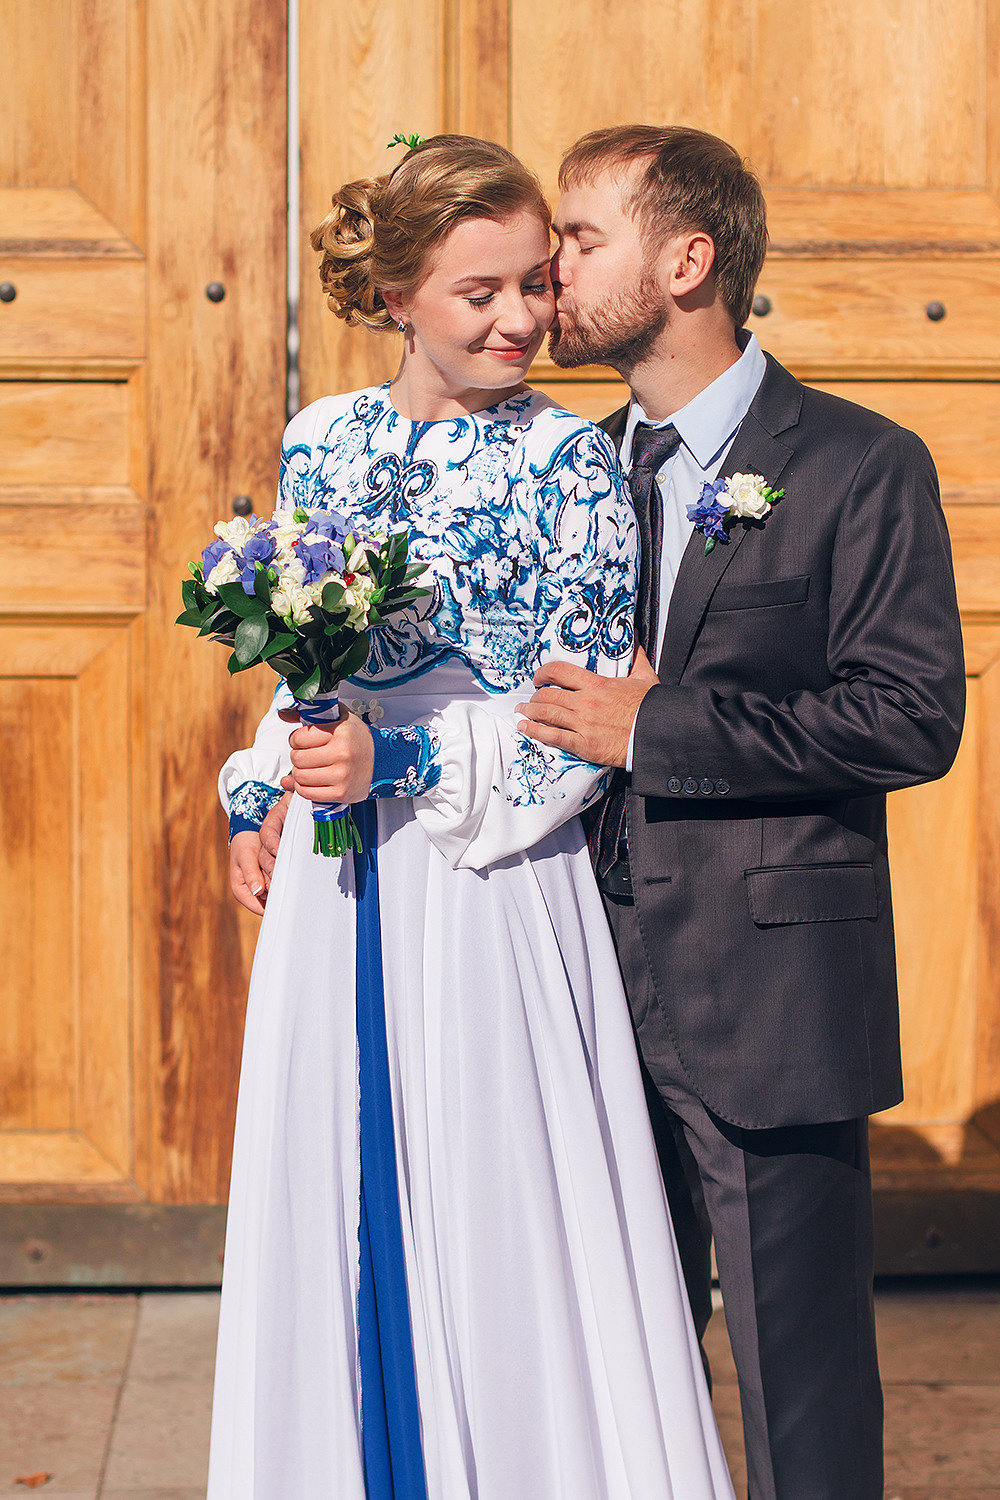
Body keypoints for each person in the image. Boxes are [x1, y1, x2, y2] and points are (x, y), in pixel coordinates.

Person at [207, 135, 736, 1500]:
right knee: (340, 1189)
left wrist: (395, 758)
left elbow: (579, 723)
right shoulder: (322, 439)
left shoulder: (571, 464)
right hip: (340, 883)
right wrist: (265, 795)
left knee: (496, 1200)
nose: (519, 320)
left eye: (536, 284)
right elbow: (303, 671)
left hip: (491, 883)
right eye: (478, 292)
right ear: (396, 296)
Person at [517, 124, 966, 1500]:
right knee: (606, 1368)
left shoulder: (858, 463)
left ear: (687, 261)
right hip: (580, 977)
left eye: (581, 239)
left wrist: (655, 729)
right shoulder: (563, 469)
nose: (550, 268)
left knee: (799, 1385)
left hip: (773, 995)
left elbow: (909, 716)